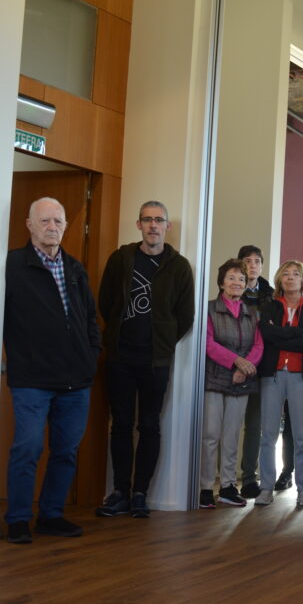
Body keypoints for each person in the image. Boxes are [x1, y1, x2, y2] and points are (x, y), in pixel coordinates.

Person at [2, 197, 101, 543]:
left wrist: (91, 356)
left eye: (58, 221)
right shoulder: (12, 265)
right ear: (29, 224)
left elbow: (89, 318)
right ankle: (17, 518)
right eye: (44, 221)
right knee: (27, 448)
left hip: (76, 380)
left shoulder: (75, 268)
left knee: (66, 451)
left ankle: (51, 514)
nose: (52, 227)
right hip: (31, 379)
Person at [95, 201, 194, 519]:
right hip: (120, 358)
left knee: (150, 425)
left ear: (168, 226)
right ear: (138, 225)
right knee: (120, 425)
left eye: (159, 220)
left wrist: (162, 342)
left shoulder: (179, 266)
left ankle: (141, 494)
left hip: (156, 361)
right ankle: (120, 492)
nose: (153, 225)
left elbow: (185, 315)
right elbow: (105, 301)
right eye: (147, 220)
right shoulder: (121, 258)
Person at [255, 260, 303, 508]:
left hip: (301, 376)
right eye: (286, 273)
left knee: (302, 435)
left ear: (302, 279)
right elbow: (265, 335)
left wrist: (280, 334)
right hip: (272, 374)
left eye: (296, 274)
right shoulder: (270, 306)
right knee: (268, 434)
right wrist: (296, 333)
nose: (290, 277)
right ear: (279, 279)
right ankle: (266, 488)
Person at [199, 259, 263, 509]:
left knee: (231, 435)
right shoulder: (209, 309)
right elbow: (208, 343)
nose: (237, 283)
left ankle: (227, 486)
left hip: (241, 381)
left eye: (241, 279)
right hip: (215, 379)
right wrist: (236, 362)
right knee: (210, 435)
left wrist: (245, 368)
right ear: (222, 282)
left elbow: (258, 345)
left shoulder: (252, 313)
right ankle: (206, 486)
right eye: (232, 278)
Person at [237, 244, 273, 499]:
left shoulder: (272, 295)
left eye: (257, 261)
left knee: (255, 425)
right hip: (232, 364)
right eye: (247, 261)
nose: (252, 265)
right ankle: (225, 479)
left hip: (262, 367)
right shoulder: (229, 289)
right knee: (226, 426)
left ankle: (249, 478)